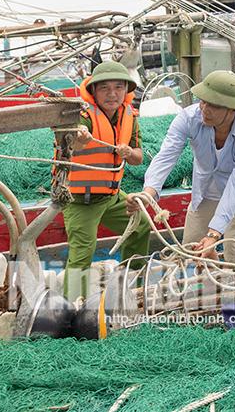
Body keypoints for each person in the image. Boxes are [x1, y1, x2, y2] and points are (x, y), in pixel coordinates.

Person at [132, 70, 235, 264]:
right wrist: (149, 192)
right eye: (203, 101)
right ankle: (205, 277)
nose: (205, 109)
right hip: (205, 191)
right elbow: (167, 154)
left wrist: (214, 234)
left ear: (233, 109)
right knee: (191, 250)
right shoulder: (188, 118)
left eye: (214, 105)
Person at [60, 60, 149, 299]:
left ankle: (132, 284)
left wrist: (128, 153)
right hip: (80, 200)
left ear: (126, 90)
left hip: (111, 196)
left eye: (119, 87)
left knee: (141, 225)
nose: (112, 94)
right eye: (104, 88)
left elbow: (138, 158)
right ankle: (71, 307)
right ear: (93, 91)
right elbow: (74, 141)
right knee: (82, 254)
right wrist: (81, 136)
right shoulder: (83, 116)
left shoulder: (129, 116)